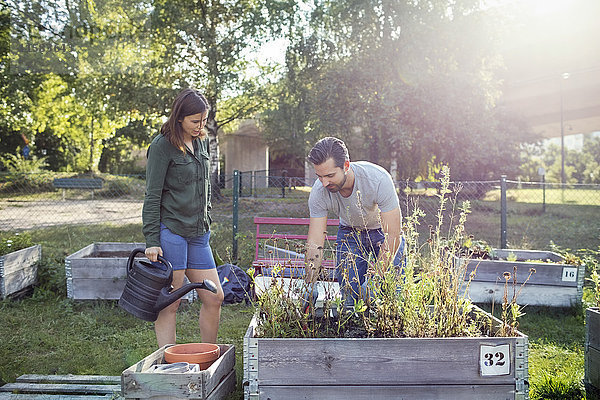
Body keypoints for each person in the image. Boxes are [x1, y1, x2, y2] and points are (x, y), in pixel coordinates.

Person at [142, 88, 224, 348]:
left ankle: (209, 357)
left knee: (214, 297)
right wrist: (152, 240)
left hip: (199, 235)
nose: (201, 127)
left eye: (204, 121)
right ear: (179, 118)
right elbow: (152, 195)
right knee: (171, 301)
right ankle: (169, 363)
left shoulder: (201, 140)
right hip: (173, 233)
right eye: (195, 122)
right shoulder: (162, 146)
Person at [304, 137, 405, 305]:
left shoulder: (378, 179)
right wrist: (309, 282)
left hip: (383, 234)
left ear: (346, 166)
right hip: (350, 233)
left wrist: (375, 277)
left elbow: (393, 234)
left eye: (330, 175)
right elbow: (315, 241)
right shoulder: (319, 191)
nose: (324, 183)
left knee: (392, 295)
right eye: (319, 176)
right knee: (350, 298)